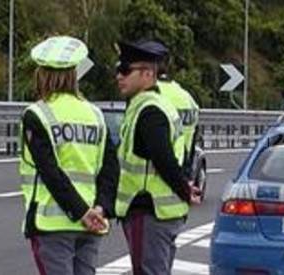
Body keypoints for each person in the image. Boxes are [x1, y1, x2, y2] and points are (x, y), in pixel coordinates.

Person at [19, 35, 119, 275]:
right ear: (75, 74)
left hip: (53, 224)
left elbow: (51, 173)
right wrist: (100, 209)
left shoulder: (37, 114)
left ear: (41, 74)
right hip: (92, 223)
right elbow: (110, 169)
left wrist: (81, 212)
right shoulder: (95, 114)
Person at [114, 39, 202, 275]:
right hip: (162, 211)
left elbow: (163, 159)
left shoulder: (149, 111)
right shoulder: (154, 104)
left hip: (149, 209)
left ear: (146, 74)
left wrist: (184, 189)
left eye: (125, 71)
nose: (118, 76)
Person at [154, 50, 200, 178]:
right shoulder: (186, 97)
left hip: (157, 166)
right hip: (183, 161)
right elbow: (195, 129)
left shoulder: (151, 94)